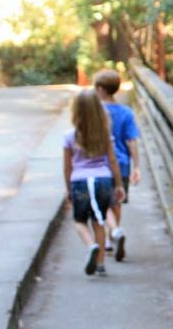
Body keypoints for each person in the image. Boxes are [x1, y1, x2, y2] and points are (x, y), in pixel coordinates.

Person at [64, 89, 126, 276]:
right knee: (99, 221)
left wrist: (68, 189)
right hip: (103, 180)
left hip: (80, 182)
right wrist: (119, 184)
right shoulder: (105, 135)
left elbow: (67, 167)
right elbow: (113, 161)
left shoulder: (70, 136)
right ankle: (100, 265)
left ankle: (91, 246)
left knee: (80, 221)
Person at [93, 68, 141, 262]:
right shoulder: (126, 112)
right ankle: (116, 231)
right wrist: (137, 166)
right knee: (117, 200)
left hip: (99, 162)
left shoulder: (95, 111)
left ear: (101, 89)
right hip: (122, 163)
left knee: (101, 201)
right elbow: (132, 141)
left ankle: (108, 235)